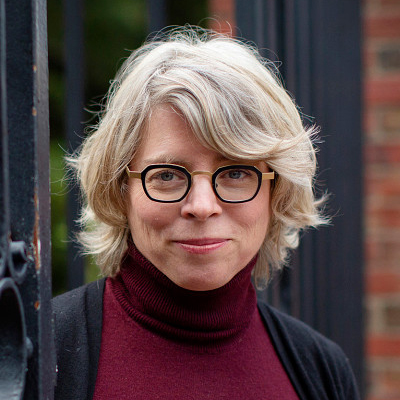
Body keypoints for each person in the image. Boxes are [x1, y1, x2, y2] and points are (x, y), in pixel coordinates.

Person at [53, 27, 360, 399]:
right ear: (121, 189)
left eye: (235, 173)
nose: (201, 206)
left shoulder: (320, 369)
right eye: (166, 175)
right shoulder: (44, 352)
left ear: (276, 190)